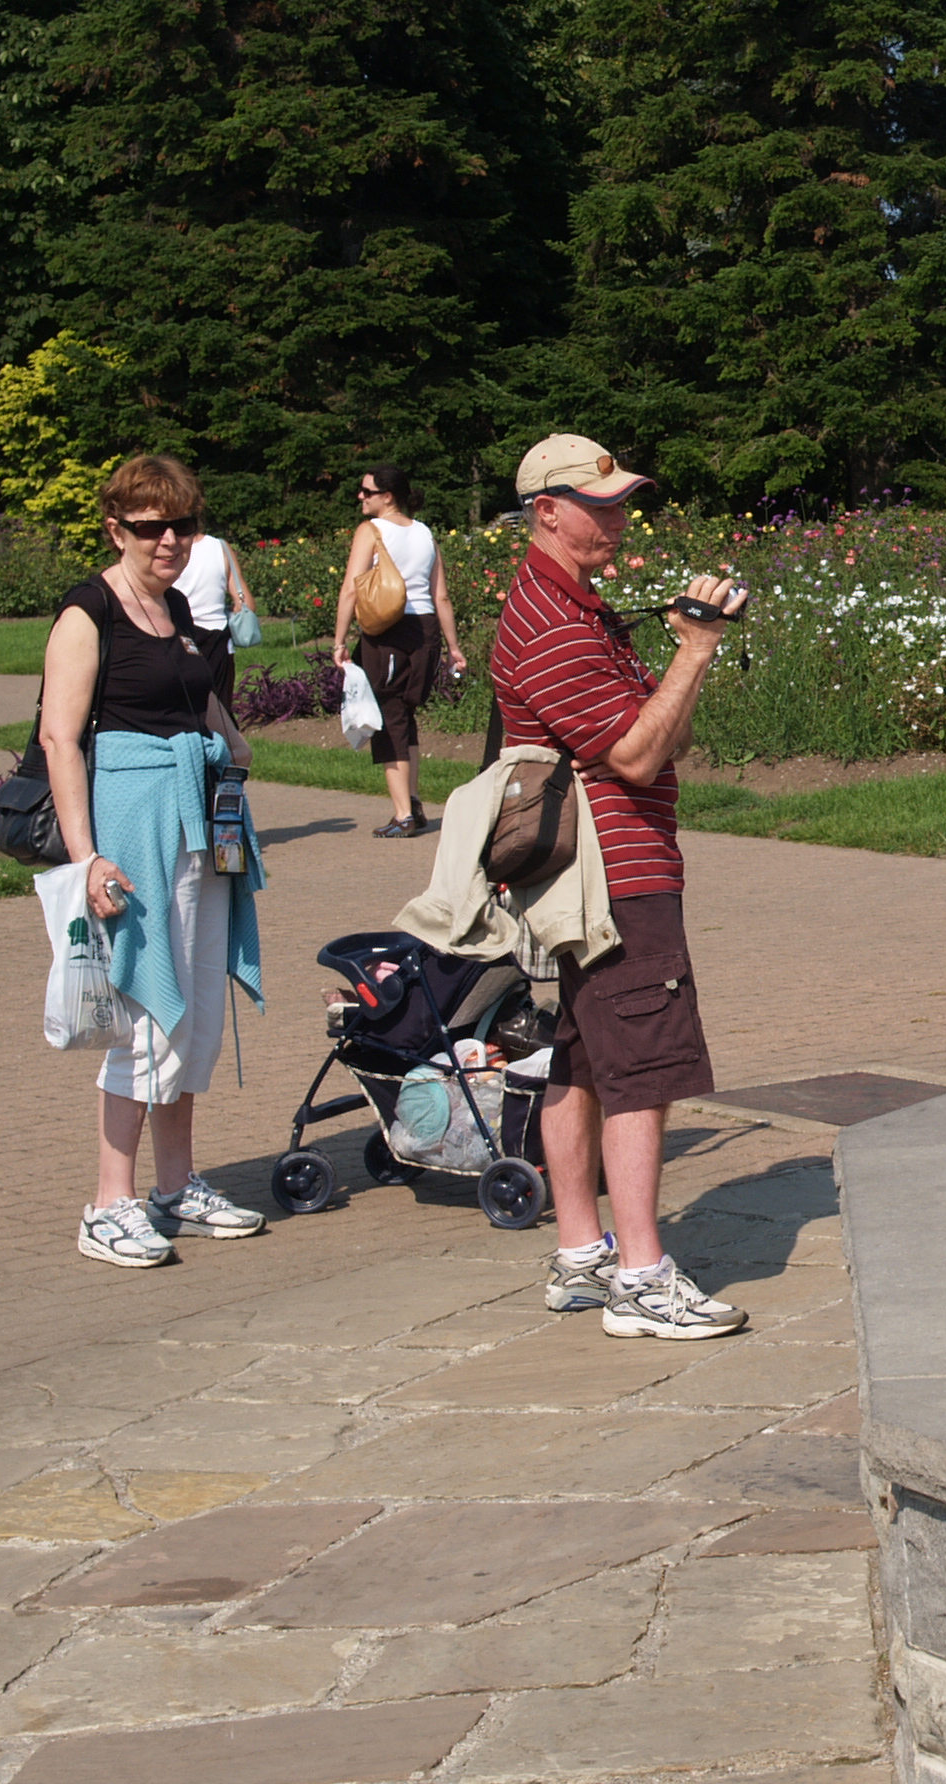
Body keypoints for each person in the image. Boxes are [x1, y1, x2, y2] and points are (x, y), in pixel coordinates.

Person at [492, 432, 748, 1340]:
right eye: (599, 506)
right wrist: (697, 651)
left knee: (584, 1055)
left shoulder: (575, 606)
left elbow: (663, 733)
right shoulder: (554, 623)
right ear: (546, 512)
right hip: (614, 870)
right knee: (643, 1062)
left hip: (598, 870)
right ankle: (641, 1277)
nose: (619, 519)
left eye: (622, 502)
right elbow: (640, 755)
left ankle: (582, 1255)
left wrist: (677, 663)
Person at [38, 456, 268, 1269]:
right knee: (141, 1010)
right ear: (116, 529)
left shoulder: (172, 606)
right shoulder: (89, 610)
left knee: (194, 1008)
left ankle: (176, 1186)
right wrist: (87, 857)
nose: (168, 540)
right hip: (134, 826)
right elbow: (60, 738)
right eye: (149, 527)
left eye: (183, 525)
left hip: (199, 823)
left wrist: (228, 739)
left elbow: (192, 690)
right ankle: (109, 1203)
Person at [331, 462, 466, 838]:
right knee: (405, 715)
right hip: (425, 631)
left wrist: (339, 641)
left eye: (367, 491)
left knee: (389, 719)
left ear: (387, 497)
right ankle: (414, 802)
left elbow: (351, 588)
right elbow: (441, 595)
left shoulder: (371, 530)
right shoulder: (425, 533)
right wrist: (454, 647)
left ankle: (403, 814)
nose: (360, 496)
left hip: (388, 632)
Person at [173, 524, 257, 712]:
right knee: (220, 713)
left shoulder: (167, 551)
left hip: (180, 638)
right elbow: (247, 603)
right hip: (219, 641)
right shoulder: (220, 547)